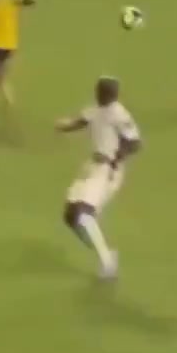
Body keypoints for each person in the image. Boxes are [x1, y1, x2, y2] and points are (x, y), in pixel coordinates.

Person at [56, 77, 142, 280]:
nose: (99, 95)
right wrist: (64, 126)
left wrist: (116, 159)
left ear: (112, 95)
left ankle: (108, 262)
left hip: (107, 170)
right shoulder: (96, 109)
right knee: (70, 216)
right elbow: (83, 121)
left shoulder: (119, 115)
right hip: (91, 167)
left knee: (83, 213)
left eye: (103, 92)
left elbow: (135, 143)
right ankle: (105, 252)